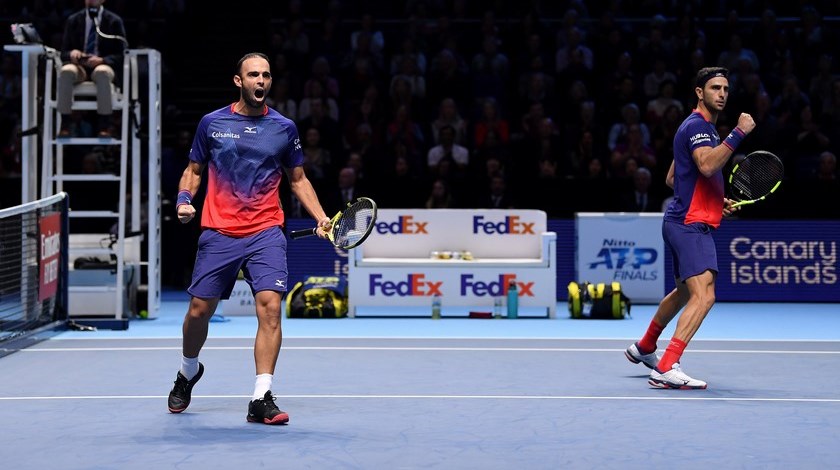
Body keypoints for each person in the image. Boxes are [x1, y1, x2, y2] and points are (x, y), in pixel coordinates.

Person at [167, 52, 332, 425]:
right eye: (253, 75)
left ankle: (261, 397)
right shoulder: (212, 123)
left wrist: (321, 217)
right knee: (198, 312)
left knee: (271, 307)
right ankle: (188, 370)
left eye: (267, 75)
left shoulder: (284, 128)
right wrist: (183, 200)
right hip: (219, 230)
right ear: (238, 81)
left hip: (266, 230)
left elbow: (298, 180)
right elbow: (193, 170)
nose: (261, 80)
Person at [625, 67, 755, 389]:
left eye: (725, 88)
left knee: (685, 291)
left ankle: (644, 347)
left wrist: (715, 199)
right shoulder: (699, 127)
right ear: (700, 92)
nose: (722, 93)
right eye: (715, 88)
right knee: (704, 295)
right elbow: (708, 165)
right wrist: (738, 132)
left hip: (679, 221)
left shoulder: (698, 128)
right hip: (690, 225)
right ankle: (667, 366)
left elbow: (674, 177)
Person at [58, 0, 127, 137]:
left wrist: (102, 60)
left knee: (102, 73)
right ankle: (64, 124)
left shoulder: (114, 21)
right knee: (66, 71)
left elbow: (122, 53)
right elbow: (63, 52)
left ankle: (104, 126)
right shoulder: (73, 20)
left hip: (102, 64)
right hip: (79, 66)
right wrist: (72, 53)